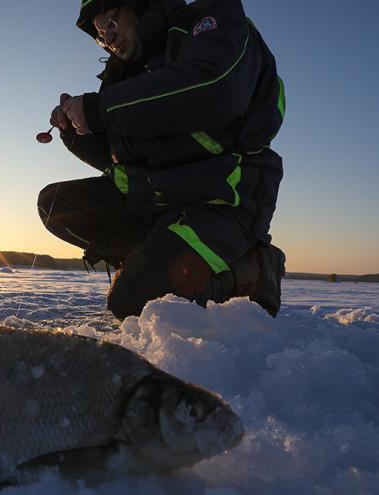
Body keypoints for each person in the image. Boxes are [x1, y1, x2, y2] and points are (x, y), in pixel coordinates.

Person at [38, 0, 286, 320]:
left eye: (111, 22)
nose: (108, 38)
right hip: (158, 197)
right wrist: (75, 130)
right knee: (55, 205)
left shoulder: (212, 21)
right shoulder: (126, 77)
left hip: (223, 196)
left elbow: (213, 87)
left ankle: (254, 267)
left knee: (132, 305)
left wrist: (100, 110)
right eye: (100, 34)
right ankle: (147, 262)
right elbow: (122, 159)